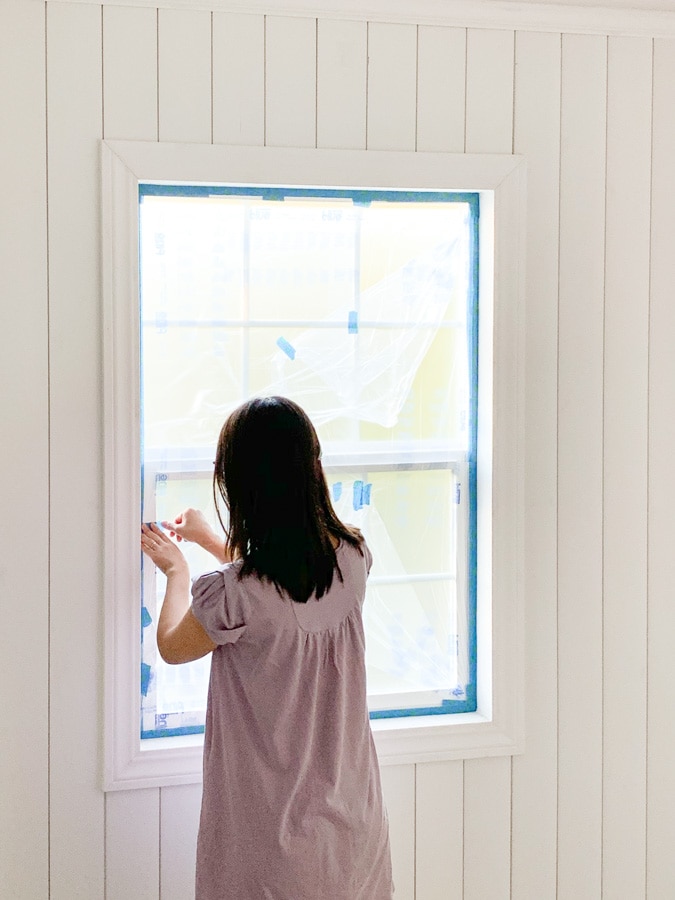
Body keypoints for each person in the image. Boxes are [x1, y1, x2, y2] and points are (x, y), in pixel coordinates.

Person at [140, 396, 394, 900]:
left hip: (271, 844)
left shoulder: (235, 594)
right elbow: (285, 586)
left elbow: (172, 645)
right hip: (352, 826)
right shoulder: (353, 558)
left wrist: (177, 571)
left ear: (241, 487)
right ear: (311, 469)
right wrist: (212, 541)